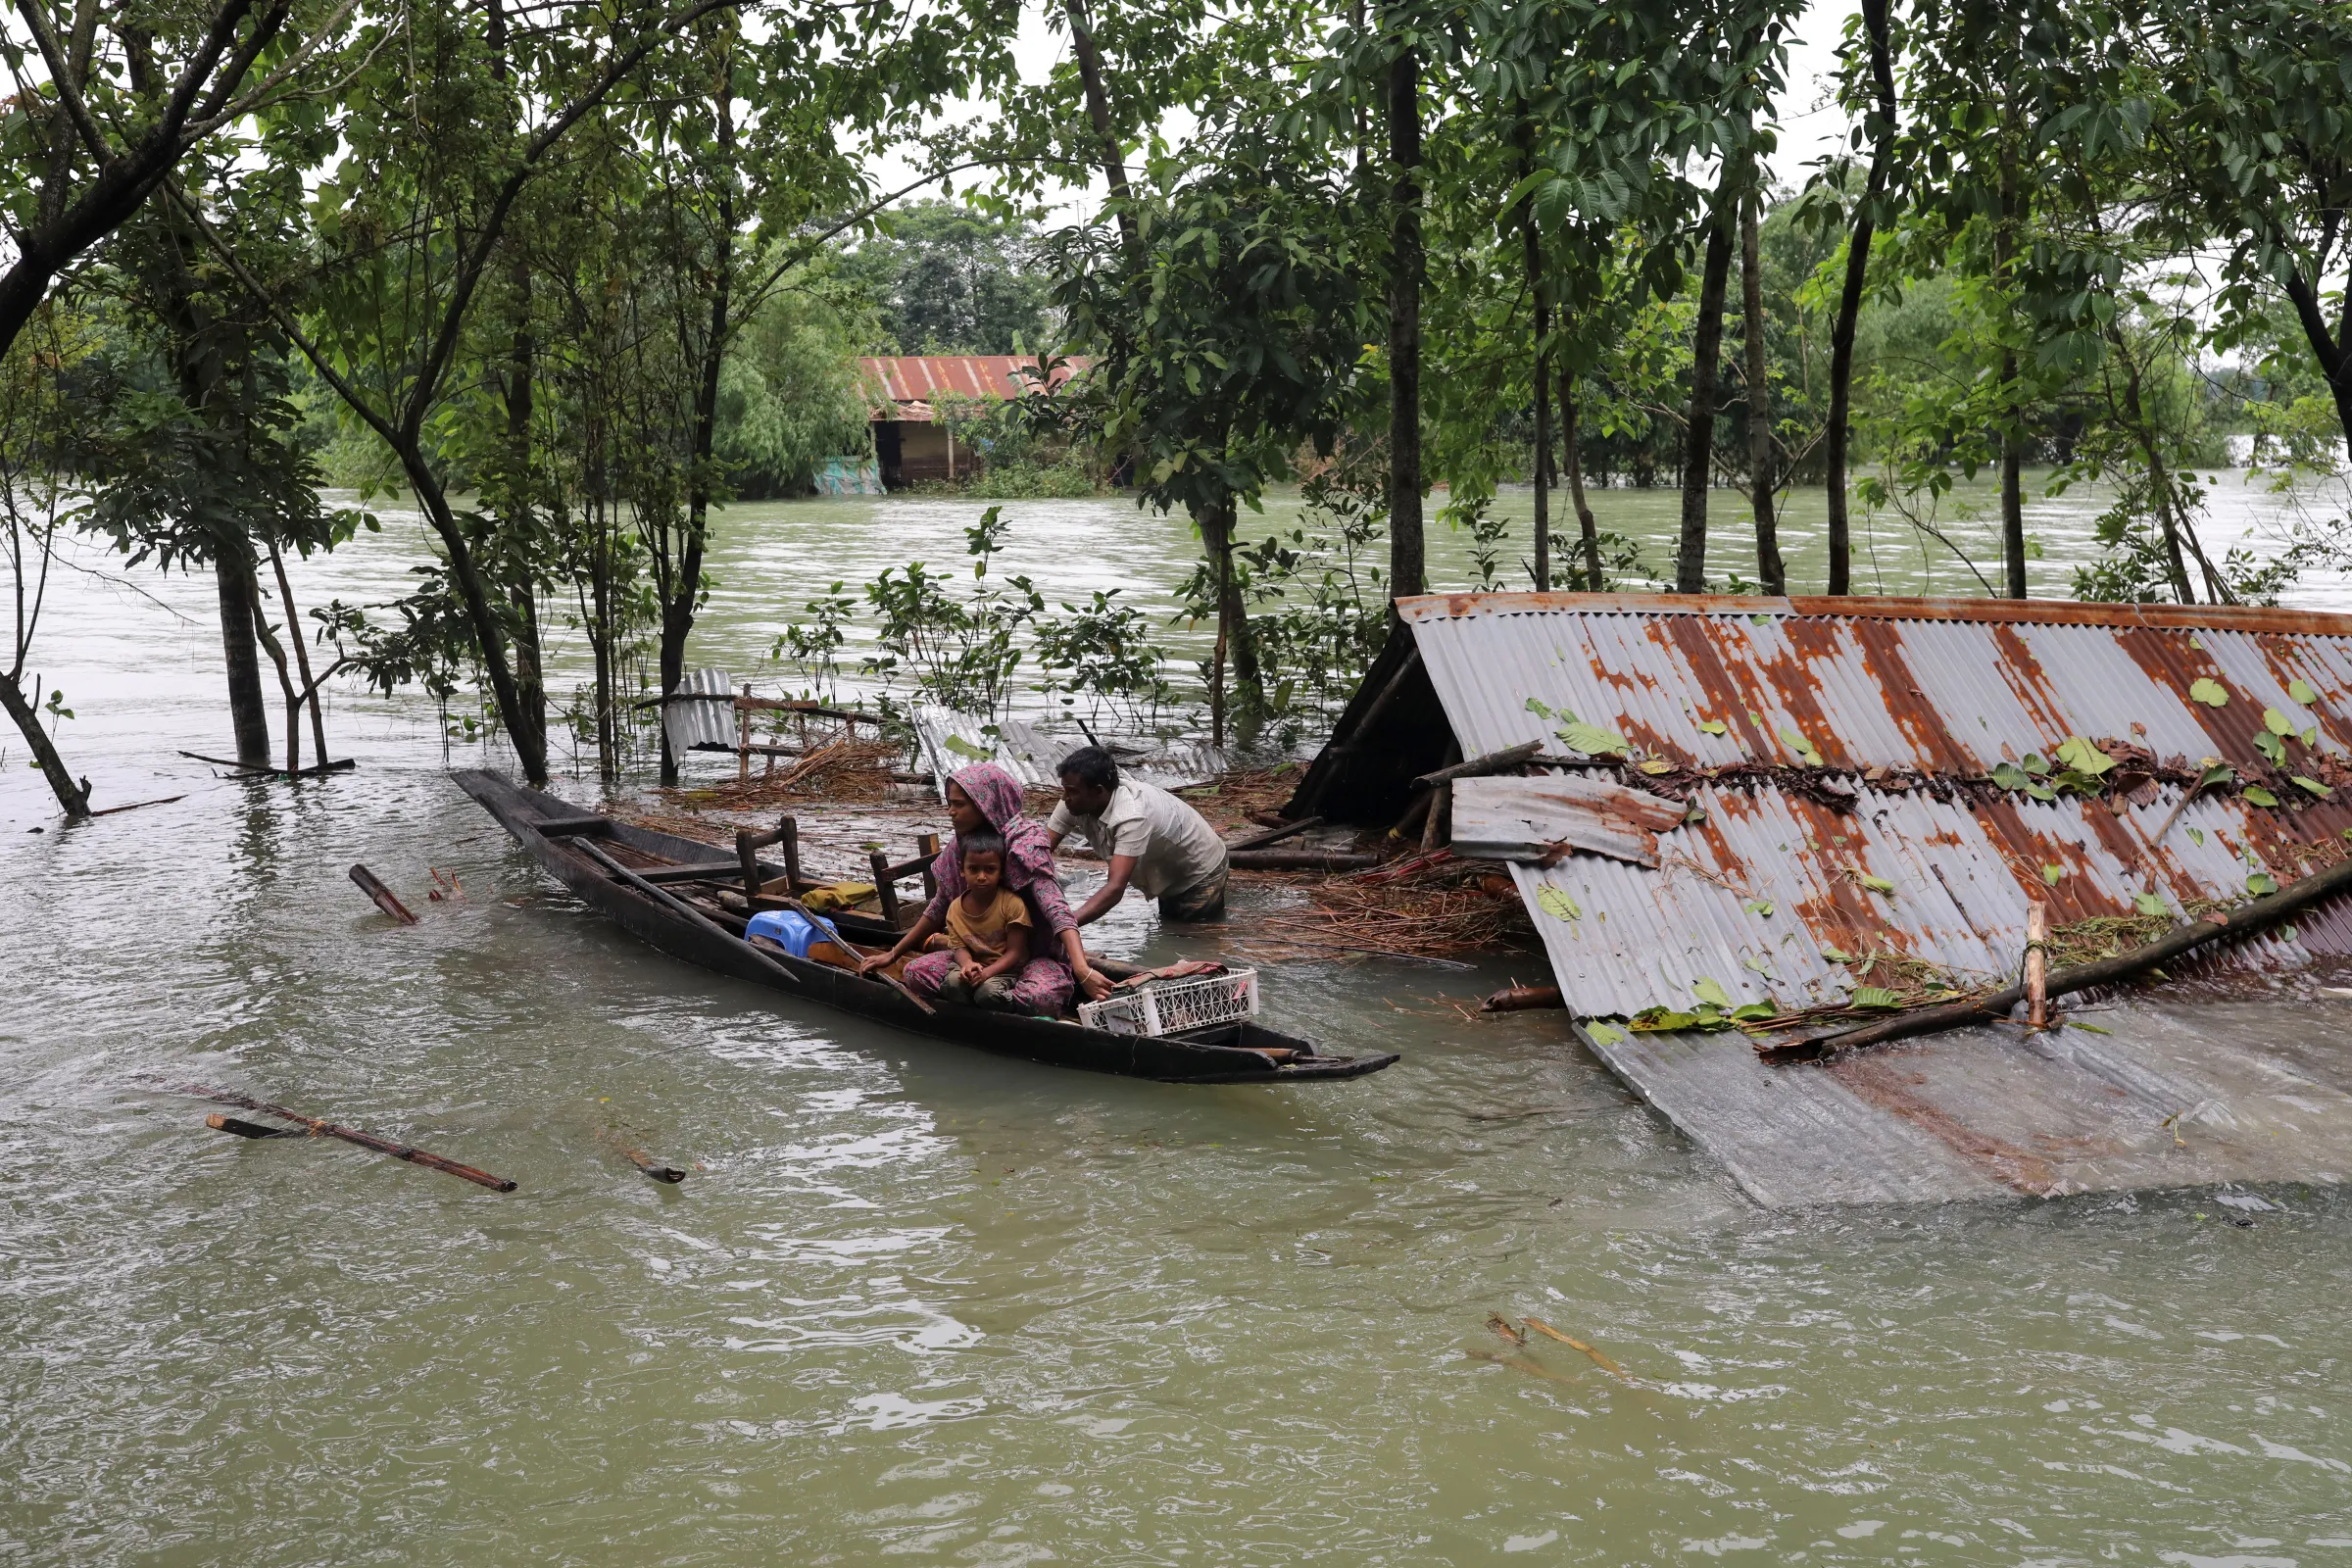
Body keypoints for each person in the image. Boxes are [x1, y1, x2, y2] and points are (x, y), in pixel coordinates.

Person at [858, 761, 1111, 1006]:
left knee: (1040, 996)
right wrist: (893, 954)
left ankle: (989, 996)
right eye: (949, 804)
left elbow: (1057, 910)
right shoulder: (962, 848)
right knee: (915, 972)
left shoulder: (1025, 846)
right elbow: (939, 907)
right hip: (976, 956)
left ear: (985, 804)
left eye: (958, 804)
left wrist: (1082, 969)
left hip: (1031, 958)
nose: (950, 812)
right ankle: (984, 995)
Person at [1048, 745, 1230, 926]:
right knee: (1170, 926)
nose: (1064, 797)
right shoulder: (1072, 802)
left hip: (1200, 868)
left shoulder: (1131, 816)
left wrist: (1063, 926)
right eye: (1065, 789)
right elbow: (1038, 853)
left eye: (1072, 791)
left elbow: (1114, 888)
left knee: (1192, 938)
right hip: (1168, 865)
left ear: (1098, 791)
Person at [897, 833, 1035, 1007]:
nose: (982, 876)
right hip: (970, 966)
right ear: (962, 869)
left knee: (987, 994)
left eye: (990, 869)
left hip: (1003, 970)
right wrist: (967, 965)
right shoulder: (955, 908)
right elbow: (959, 947)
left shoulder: (1012, 905)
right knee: (953, 985)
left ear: (1001, 871)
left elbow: (1014, 952)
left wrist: (986, 973)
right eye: (974, 869)